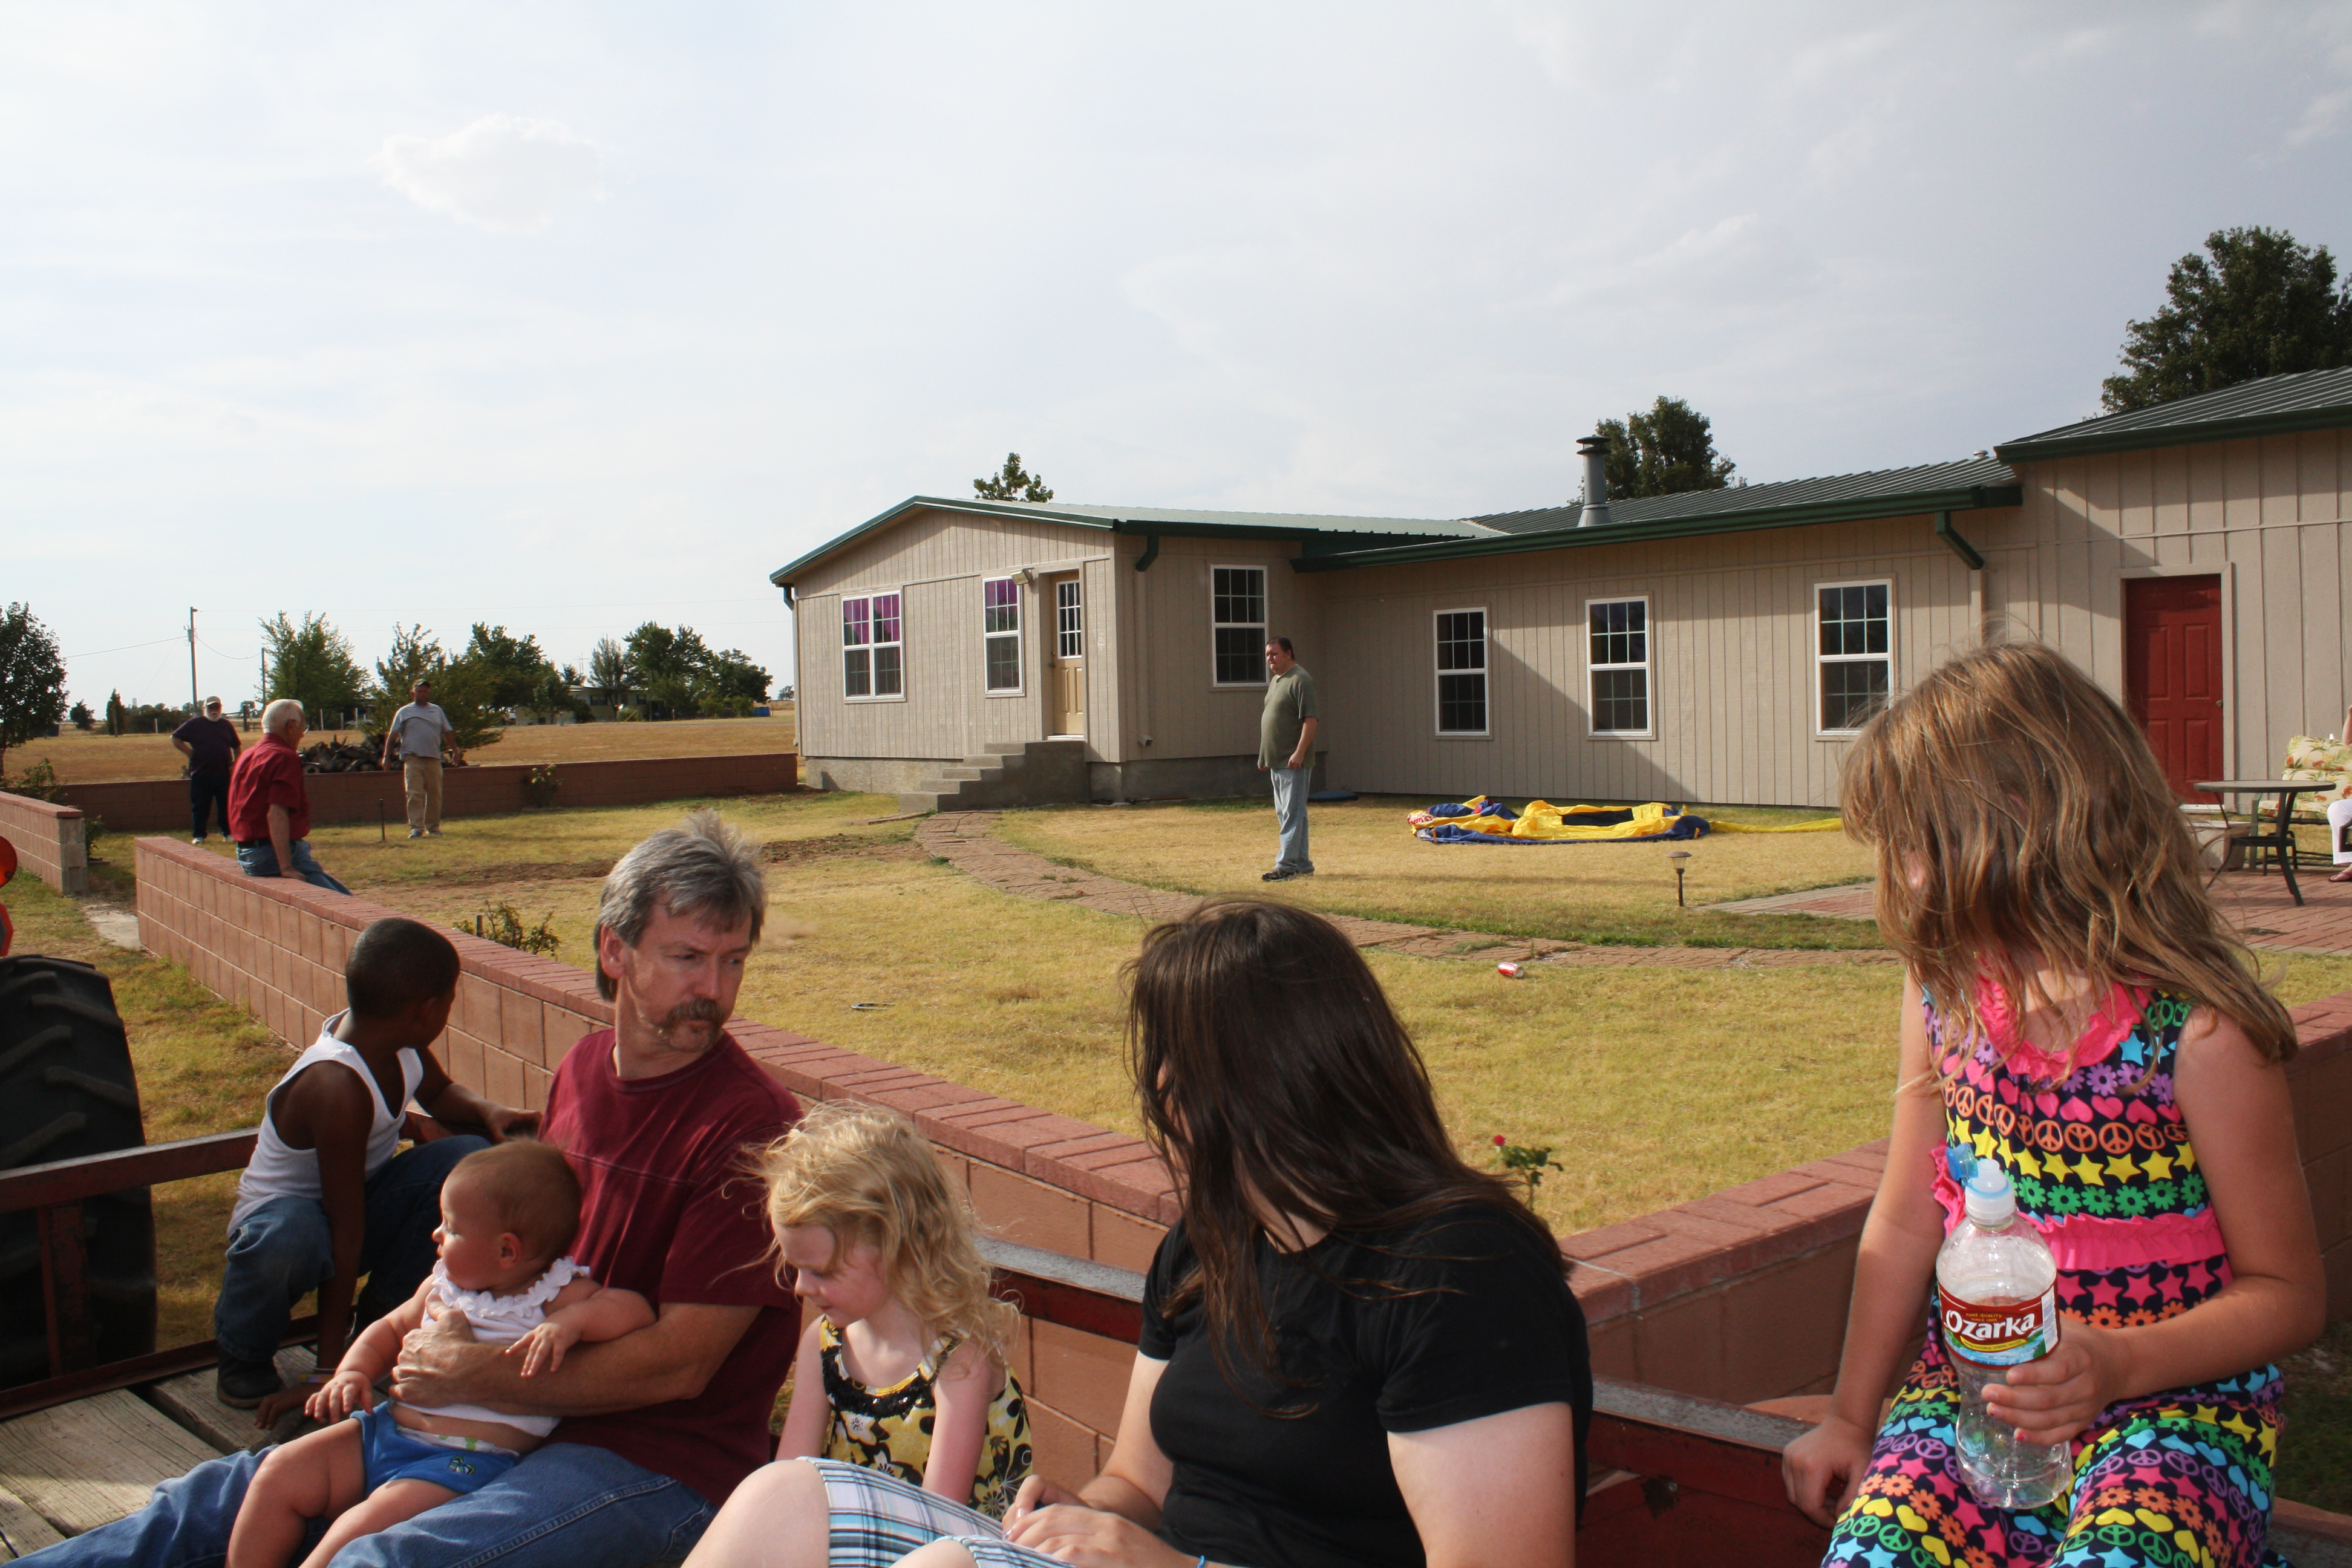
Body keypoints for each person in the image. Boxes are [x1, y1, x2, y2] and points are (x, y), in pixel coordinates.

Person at [683, 899, 1590, 1568]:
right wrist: (1077, 1515)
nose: (1156, 1090)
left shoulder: (1459, 1271)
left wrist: (1172, 1567)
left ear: (1260, 1084)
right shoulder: (1208, 1247)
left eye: (1174, 1064)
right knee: (785, 1499)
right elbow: (1138, 1485)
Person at [24, 809, 804, 1568]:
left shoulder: (751, 1128)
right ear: (614, 950)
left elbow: (680, 1366)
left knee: (381, 1559)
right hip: (485, 1421)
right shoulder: (582, 1071)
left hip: (652, 1459)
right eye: (687, 957)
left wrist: (470, 1374)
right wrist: (370, 1366)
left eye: (733, 961)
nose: (713, 988)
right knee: (211, 1503)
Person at [1781, 641, 2326, 1568]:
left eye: (1919, 844)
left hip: (2177, 1403)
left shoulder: (2199, 1035)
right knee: (1875, 1552)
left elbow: (2291, 1295)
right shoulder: (1945, 994)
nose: (1904, 876)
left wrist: (2118, 1363)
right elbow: (1909, 1215)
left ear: (2026, 820)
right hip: (1978, 1392)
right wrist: (1848, 1416)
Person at [227, 1140, 654, 1568]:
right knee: (280, 1469)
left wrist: (572, 1323)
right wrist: (353, 1372)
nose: (436, 1234)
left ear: (507, 1251)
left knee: (355, 1530)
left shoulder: (555, 1297)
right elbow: (391, 1328)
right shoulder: (442, 1285)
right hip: (384, 1432)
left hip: (460, 1463)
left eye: (451, 1228)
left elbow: (634, 1311)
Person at [214, 917, 527, 1414]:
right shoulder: (336, 1087)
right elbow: (346, 1228)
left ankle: (381, 1326)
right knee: (294, 1236)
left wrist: (488, 1113)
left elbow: (440, 1093)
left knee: (465, 1159)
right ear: (426, 1010)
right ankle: (243, 1352)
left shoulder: (394, 1038)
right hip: (286, 1224)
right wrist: (328, 1374)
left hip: (357, 1202)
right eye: (450, 1001)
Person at [759, 1103, 1033, 1519]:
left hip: (953, 1544)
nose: (801, 1288)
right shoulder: (824, 1343)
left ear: (896, 1249)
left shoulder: (960, 1361)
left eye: (822, 1272)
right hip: (859, 1537)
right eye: (796, 1268)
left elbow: (939, 1518)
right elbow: (788, 1482)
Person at [227, 699, 350, 893]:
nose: (302, 734)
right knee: (343, 904)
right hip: (271, 854)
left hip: (246, 853)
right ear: (291, 726)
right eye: (303, 728)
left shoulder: (248, 755)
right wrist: (286, 866)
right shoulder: (284, 756)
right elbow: (276, 814)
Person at [1256, 636, 1318, 883]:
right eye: (1267, 654)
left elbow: (1310, 720)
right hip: (1276, 759)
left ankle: (1286, 866)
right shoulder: (1276, 681)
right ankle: (1302, 864)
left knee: (1292, 813)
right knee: (1289, 814)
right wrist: (1265, 755)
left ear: (1289, 654)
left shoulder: (1301, 680)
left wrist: (1300, 752)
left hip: (1294, 761)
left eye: (1274, 654)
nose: (1270, 658)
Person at [381, 681, 456, 840]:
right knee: (414, 793)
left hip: (433, 758)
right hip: (413, 758)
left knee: (435, 794)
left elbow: (447, 732)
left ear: (429, 693)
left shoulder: (437, 710)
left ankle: (433, 827)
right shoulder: (404, 712)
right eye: (419, 691)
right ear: (413, 693)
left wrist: (455, 751)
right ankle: (416, 828)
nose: (422, 694)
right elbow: (393, 736)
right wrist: (386, 757)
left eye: (425, 691)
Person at [172, 696, 242, 844]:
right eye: (211, 708)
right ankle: (199, 835)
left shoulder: (226, 725)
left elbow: (236, 747)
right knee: (200, 806)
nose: (214, 710)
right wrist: (189, 752)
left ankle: (228, 833)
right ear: (205, 709)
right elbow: (176, 738)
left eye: (217, 707)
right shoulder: (195, 724)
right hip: (201, 773)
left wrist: (235, 764)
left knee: (225, 805)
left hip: (223, 773)